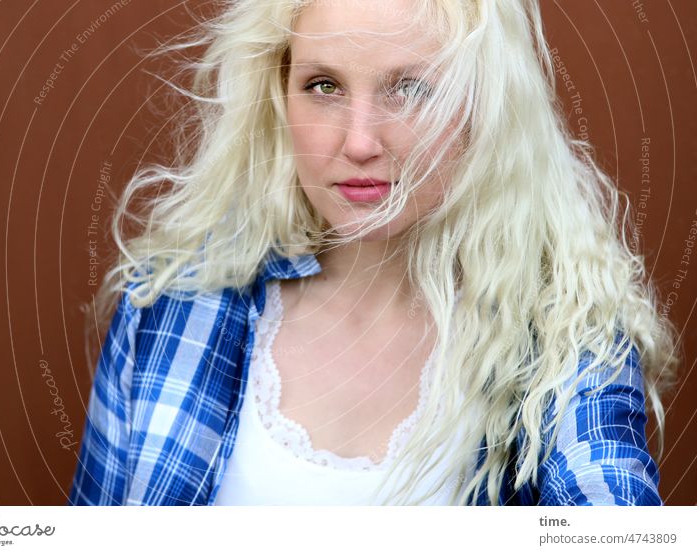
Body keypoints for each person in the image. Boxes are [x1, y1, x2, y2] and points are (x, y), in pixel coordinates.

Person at [68, 0, 679, 506]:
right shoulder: (172, 302)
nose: (360, 142)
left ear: (484, 106)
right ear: (278, 96)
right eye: (324, 85)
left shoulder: (566, 336)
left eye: (409, 88)